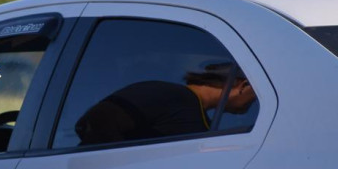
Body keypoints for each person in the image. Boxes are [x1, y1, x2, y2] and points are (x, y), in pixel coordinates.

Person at [75, 62, 257, 145]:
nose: (254, 103)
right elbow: (98, 118)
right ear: (244, 85)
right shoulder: (168, 93)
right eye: (256, 95)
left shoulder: (202, 119)